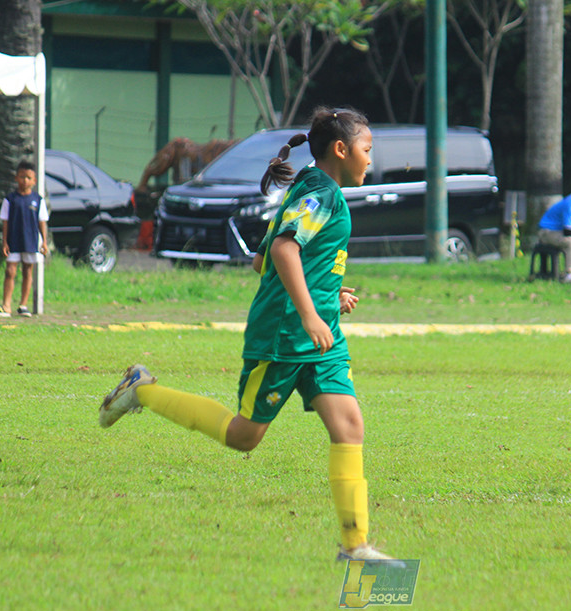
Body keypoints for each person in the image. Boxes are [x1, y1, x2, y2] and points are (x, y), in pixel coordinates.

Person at [99, 107, 398, 562]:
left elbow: (265, 261)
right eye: (366, 150)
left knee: (349, 426)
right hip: (284, 335)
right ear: (342, 149)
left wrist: (326, 299)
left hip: (319, 340)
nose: (370, 160)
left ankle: (355, 547)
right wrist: (308, 312)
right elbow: (280, 249)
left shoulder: (311, 189)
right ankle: (143, 390)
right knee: (244, 436)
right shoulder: (320, 194)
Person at [0, 160, 49, 318]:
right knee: (10, 271)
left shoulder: (38, 200)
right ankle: (6, 304)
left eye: (28, 178)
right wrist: (4, 242)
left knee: (28, 270)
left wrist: (44, 243)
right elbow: (5, 222)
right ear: (16, 178)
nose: (25, 181)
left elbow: (42, 222)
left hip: (31, 240)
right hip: (14, 240)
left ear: (34, 181)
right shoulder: (10, 199)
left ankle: (23, 304)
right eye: (22, 177)